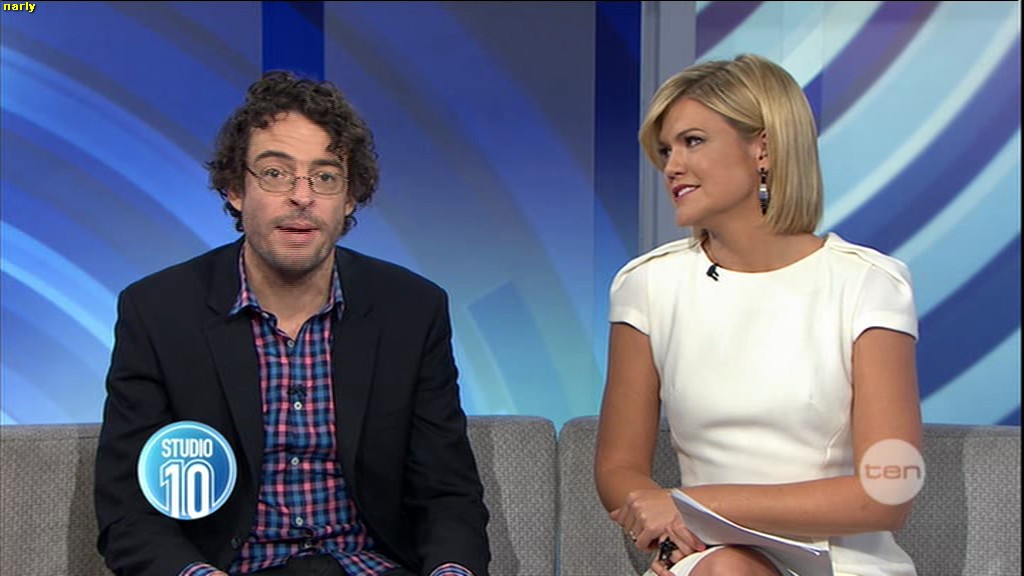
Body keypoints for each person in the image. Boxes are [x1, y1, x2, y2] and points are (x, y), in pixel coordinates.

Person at [94, 70, 491, 576]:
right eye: (275, 173)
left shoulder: (411, 310)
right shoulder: (158, 312)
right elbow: (130, 513)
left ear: (349, 197)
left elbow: (447, 493)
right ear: (235, 189)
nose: (302, 196)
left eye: (324, 177)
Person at [594, 54, 921, 576]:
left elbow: (888, 492)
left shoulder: (869, 284)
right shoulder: (647, 285)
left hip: (846, 563)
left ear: (762, 148)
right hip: (707, 556)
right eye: (666, 150)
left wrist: (691, 505)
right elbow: (618, 468)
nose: (672, 166)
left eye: (693, 141)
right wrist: (669, 526)